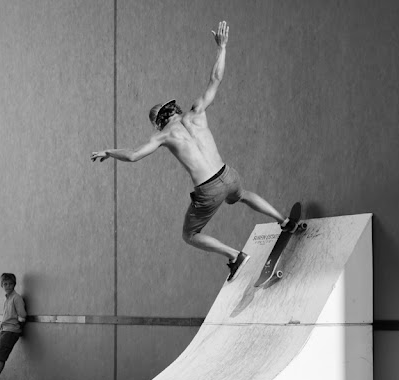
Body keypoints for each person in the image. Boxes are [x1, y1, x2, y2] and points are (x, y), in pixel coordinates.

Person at [91, 21, 296, 281]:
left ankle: (235, 255)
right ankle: (283, 220)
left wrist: (109, 151)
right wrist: (222, 48)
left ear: (158, 123)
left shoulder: (163, 135)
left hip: (208, 190)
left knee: (190, 235)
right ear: (175, 109)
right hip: (228, 174)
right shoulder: (197, 111)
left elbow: (133, 155)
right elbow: (216, 79)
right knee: (242, 195)